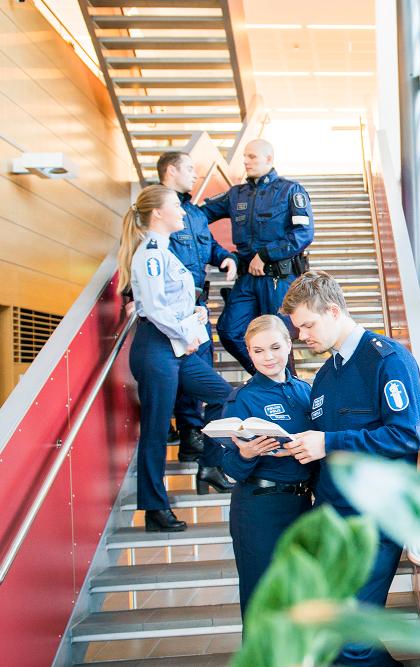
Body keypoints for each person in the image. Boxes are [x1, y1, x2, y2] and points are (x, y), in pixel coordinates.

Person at [281, 272, 420, 667]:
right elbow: (326, 448)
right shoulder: (324, 377)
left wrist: (328, 442)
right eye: (298, 328)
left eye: (308, 324)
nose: (303, 335)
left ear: (333, 310)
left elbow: (405, 435)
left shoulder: (387, 359)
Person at [118, 185, 235, 532]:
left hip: (176, 346)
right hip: (158, 348)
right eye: (176, 207)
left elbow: (170, 303)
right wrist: (186, 330)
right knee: (156, 429)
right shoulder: (151, 252)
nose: (183, 213)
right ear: (158, 213)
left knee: (222, 393)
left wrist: (195, 313)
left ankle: (211, 465)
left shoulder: (165, 251)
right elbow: (153, 308)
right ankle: (154, 508)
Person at [218, 315, 315, 616]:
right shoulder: (242, 399)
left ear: (289, 343)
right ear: (249, 353)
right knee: (263, 599)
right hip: (259, 509)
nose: (268, 357)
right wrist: (246, 454)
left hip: (302, 506)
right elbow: (227, 467)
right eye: (258, 351)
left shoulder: (305, 391)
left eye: (274, 347)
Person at [158, 151, 238, 493]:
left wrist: (228, 259)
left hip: (198, 308)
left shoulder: (193, 214)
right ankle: (190, 432)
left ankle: (200, 443)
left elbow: (213, 249)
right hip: (171, 313)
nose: (195, 174)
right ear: (171, 170)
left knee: (203, 370)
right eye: (190, 168)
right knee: (186, 374)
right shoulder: (157, 212)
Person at [201, 139, 314, 374]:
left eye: (252, 156)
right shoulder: (236, 194)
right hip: (247, 279)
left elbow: (303, 233)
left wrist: (265, 254)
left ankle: (288, 389)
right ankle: (268, 379)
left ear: (269, 159)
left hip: (278, 279)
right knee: (230, 330)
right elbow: (198, 216)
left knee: (279, 338)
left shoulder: (290, 190)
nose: (245, 161)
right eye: (245, 156)